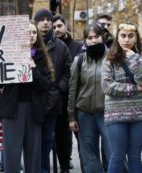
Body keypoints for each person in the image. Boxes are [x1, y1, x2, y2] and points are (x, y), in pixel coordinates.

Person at [0, 21, 55, 173]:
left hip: (33, 110)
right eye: (28, 32)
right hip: (12, 110)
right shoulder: (8, 55)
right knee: (12, 154)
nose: (32, 35)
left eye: (34, 33)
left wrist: (33, 69)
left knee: (33, 154)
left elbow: (45, 85)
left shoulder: (41, 56)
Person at [68, 23, 111, 173]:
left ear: (103, 37)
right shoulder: (79, 60)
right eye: (89, 38)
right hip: (84, 114)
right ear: (85, 40)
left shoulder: (113, 58)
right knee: (88, 156)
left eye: (96, 37)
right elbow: (72, 90)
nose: (93, 40)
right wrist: (71, 117)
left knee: (112, 153)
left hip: (108, 113)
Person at [34, 8, 71, 173]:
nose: (46, 22)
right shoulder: (28, 43)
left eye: (48, 19)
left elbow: (68, 72)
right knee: (33, 141)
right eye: (41, 19)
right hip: (31, 100)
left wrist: (59, 89)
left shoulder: (61, 46)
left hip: (52, 101)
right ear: (36, 23)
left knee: (47, 139)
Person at [101, 23, 142, 173]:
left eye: (131, 36)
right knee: (117, 156)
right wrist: (134, 88)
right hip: (116, 114)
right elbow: (107, 87)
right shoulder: (109, 60)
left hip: (139, 114)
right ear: (117, 38)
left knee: (135, 156)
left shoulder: (139, 58)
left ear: (136, 38)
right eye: (123, 36)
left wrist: (135, 60)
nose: (126, 40)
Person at [52, 15, 83, 173]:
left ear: (65, 26)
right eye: (54, 26)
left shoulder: (78, 46)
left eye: (59, 26)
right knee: (58, 135)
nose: (56, 29)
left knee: (71, 136)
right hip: (54, 98)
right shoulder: (48, 45)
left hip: (73, 98)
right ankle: (63, 164)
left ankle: (68, 164)